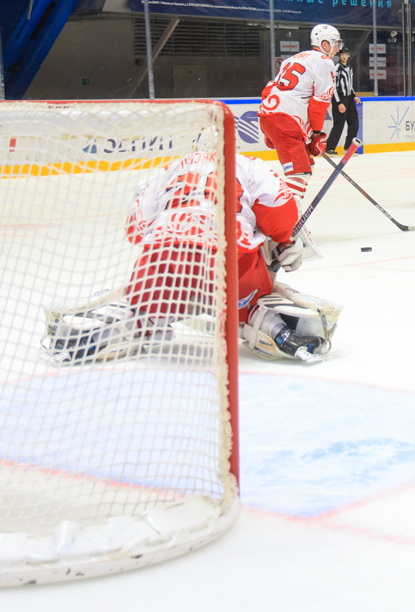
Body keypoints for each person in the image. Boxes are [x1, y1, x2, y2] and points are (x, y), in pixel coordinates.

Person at [45, 149, 339, 364]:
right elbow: (281, 218)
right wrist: (283, 241)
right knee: (252, 299)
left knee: (144, 303)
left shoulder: (168, 170)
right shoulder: (252, 166)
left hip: (165, 257)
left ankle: (119, 327)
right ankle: (272, 326)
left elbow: (135, 229)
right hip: (231, 258)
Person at [259, 24, 339, 204]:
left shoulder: (292, 59)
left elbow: (268, 90)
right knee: (299, 174)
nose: (338, 48)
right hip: (287, 120)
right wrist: (316, 134)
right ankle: (285, 215)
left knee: (306, 167)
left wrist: (269, 130)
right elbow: (319, 104)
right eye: (335, 43)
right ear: (324, 44)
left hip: (270, 115)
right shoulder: (325, 62)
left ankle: (287, 212)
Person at [326, 47, 358, 155]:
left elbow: (350, 85)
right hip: (339, 98)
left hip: (349, 98)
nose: (344, 56)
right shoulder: (336, 68)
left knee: (354, 123)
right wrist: (339, 102)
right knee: (339, 123)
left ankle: (348, 147)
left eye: (346, 54)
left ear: (348, 56)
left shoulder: (349, 68)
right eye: (342, 54)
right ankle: (330, 148)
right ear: (339, 56)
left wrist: (354, 96)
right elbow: (333, 86)